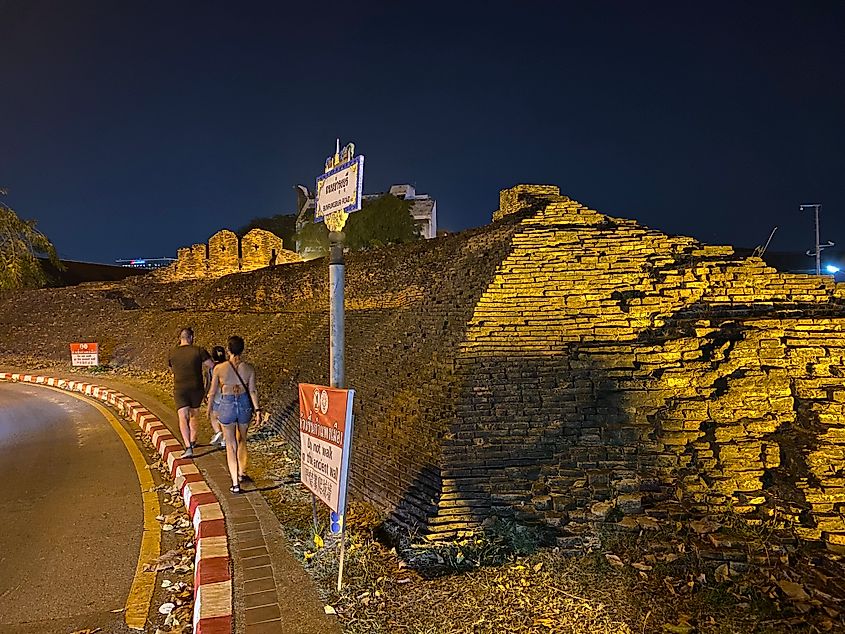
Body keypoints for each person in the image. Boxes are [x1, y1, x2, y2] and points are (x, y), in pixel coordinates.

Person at [206, 335, 260, 493]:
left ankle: (235, 483)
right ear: (242, 349)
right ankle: (242, 472)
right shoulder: (249, 369)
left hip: (227, 404)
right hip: (244, 404)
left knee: (230, 445)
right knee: (242, 439)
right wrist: (257, 411)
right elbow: (253, 391)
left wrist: (209, 409)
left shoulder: (219, 369)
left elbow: (212, 391)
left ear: (228, 349)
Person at [168, 327, 213, 458]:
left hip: (180, 388)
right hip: (196, 388)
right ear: (191, 338)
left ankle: (188, 447)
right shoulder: (199, 351)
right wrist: (209, 384)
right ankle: (193, 440)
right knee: (194, 414)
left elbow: (172, 369)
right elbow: (212, 366)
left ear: (180, 338)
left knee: (183, 417)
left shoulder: (172, 352)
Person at [207, 345, 227, 449]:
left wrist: (208, 395)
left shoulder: (212, 368)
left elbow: (209, 383)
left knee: (213, 415)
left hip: (216, 394)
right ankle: (224, 439)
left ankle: (218, 432)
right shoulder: (229, 366)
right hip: (227, 395)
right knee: (224, 418)